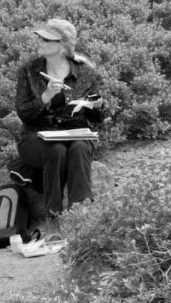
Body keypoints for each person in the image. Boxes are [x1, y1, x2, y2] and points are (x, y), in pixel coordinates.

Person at [14, 18, 104, 225]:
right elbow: (23, 114)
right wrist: (45, 97)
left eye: (47, 39)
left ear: (62, 46)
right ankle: (53, 218)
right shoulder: (29, 71)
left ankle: (80, 218)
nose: (40, 41)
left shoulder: (85, 72)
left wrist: (96, 106)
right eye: (41, 37)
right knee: (55, 150)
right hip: (35, 136)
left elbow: (95, 118)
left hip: (76, 134)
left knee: (80, 147)